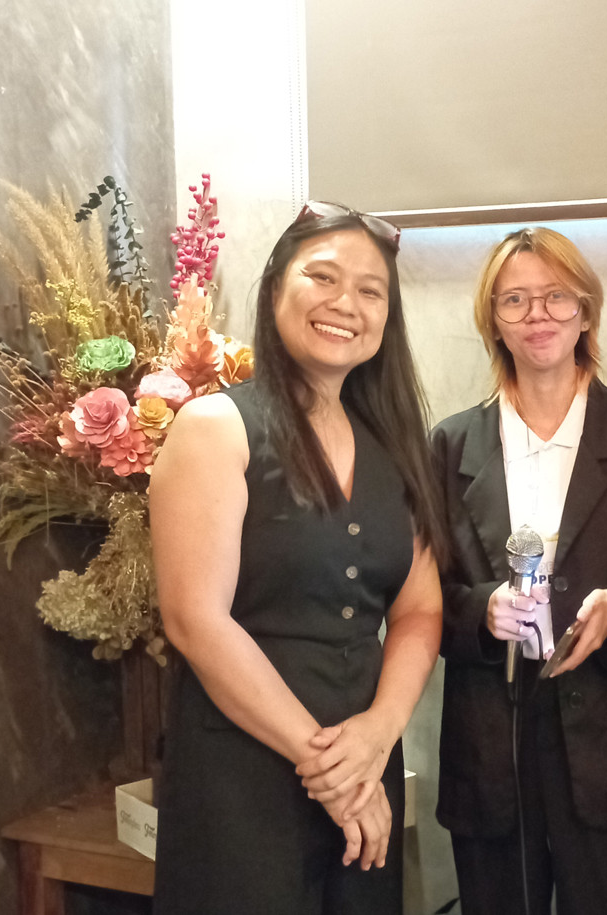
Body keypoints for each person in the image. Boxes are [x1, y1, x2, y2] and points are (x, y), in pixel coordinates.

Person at [149, 202, 446, 915]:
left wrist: (379, 731)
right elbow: (195, 620)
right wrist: (328, 767)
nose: (346, 303)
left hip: (364, 768)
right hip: (242, 776)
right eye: (323, 277)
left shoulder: (395, 445)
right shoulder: (217, 426)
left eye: (371, 290)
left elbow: (420, 609)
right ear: (275, 287)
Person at [431, 227, 607, 915]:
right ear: (493, 320)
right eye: (514, 299)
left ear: (585, 310)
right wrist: (481, 610)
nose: (537, 314)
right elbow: (420, 598)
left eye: (555, 296)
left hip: (604, 734)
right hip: (490, 739)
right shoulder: (451, 444)